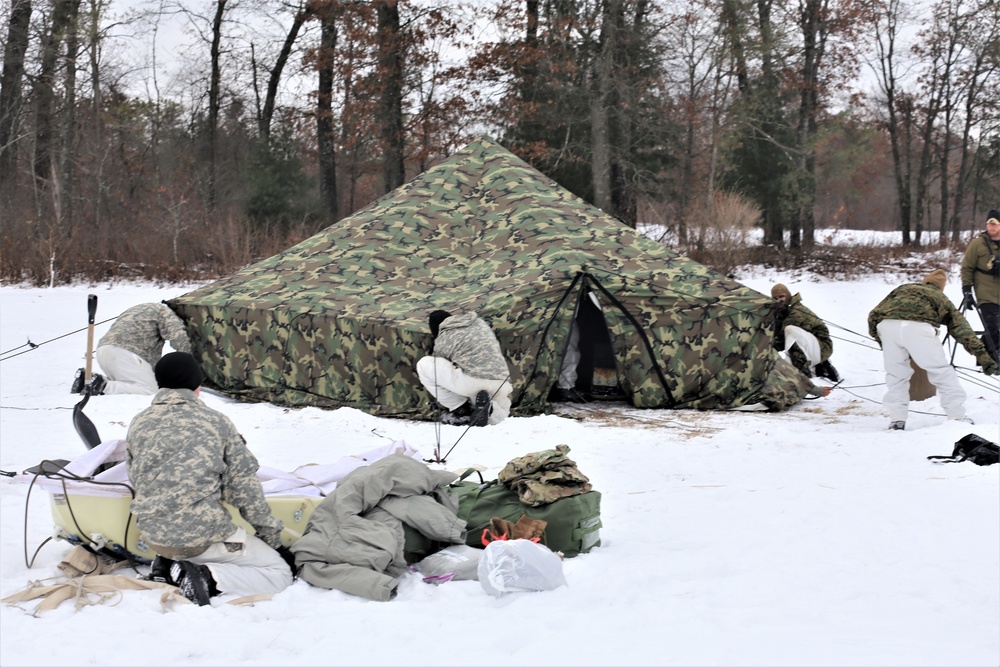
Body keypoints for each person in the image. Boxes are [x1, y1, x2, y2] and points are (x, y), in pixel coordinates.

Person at [126, 351, 294, 605]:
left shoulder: (138, 423)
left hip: (154, 536)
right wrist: (273, 541)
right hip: (203, 537)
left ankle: (170, 561)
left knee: (186, 536)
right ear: (197, 386)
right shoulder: (216, 422)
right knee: (279, 573)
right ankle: (208, 577)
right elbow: (244, 488)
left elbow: (137, 477)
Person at [867, 268, 997, 431]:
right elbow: (962, 330)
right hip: (919, 328)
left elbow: (873, 314)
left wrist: (881, 340)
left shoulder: (902, 289)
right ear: (941, 287)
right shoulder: (940, 297)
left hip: (887, 326)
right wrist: (982, 356)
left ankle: (897, 420)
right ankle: (957, 415)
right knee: (941, 371)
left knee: (896, 375)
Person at [416, 310, 513, 426]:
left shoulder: (444, 336)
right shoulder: (479, 323)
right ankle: (490, 409)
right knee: (498, 418)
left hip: (473, 382)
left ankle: (460, 410)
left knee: (424, 364)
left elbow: (442, 365)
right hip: (502, 383)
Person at [72, 302, 192, 395]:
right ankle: (103, 386)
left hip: (103, 350)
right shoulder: (167, 313)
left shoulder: (146, 309)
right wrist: (192, 369)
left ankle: (86, 380)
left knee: (128, 383)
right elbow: (181, 340)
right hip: (126, 353)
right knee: (151, 389)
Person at [771, 284, 840, 382]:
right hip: (811, 347)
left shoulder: (796, 311)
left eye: (781, 296)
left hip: (823, 347)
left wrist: (764, 350)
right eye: (775, 298)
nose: (779, 300)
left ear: (788, 295)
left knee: (790, 330)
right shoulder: (782, 311)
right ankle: (819, 368)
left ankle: (803, 372)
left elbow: (780, 341)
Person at [960, 209, 1000, 363]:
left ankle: (983, 357)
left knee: (995, 328)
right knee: (991, 325)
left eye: (995, 224)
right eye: (989, 224)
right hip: (985, 292)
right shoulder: (977, 244)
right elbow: (967, 267)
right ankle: (995, 359)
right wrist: (967, 291)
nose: (992, 227)